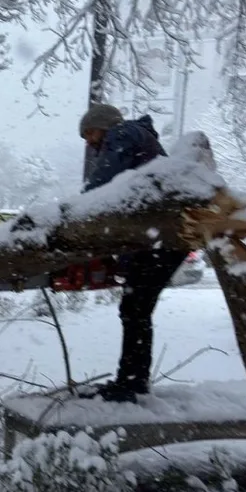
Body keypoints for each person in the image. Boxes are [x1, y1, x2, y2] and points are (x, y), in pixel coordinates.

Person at [78, 104, 190, 403]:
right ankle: (131, 381)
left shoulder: (124, 132)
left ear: (104, 125)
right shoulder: (140, 142)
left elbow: (102, 185)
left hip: (165, 238)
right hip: (165, 238)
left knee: (135, 309)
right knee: (135, 309)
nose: (89, 141)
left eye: (89, 132)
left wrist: (76, 212)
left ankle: (131, 384)